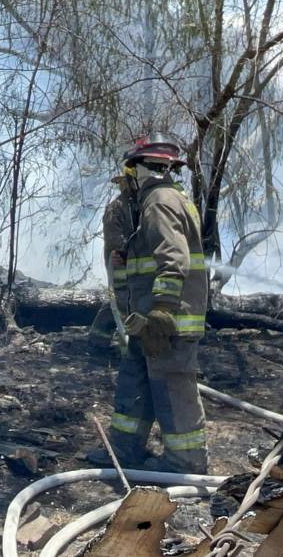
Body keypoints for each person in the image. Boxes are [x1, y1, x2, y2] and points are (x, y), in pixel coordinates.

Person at [86, 135, 210, 474]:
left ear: (141, 169)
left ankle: (186, 460)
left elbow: (173, 259)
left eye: (131, 170)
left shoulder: (159, 201)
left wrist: (162, 312)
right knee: (135, 380)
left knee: (172, 384)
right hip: (146, 317)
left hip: (167, 320)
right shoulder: (162, 200)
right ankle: (125, 449)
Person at [87, 173, 137, 351]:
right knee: (118, 301)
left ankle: (102, 341)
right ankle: (97, 341)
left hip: (132, 263)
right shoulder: (115, 208)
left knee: (126, 301)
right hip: (119, 263)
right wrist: (129, 253)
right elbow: (115, 240)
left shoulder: (138, 205)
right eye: (124, 183)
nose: (126, 186)